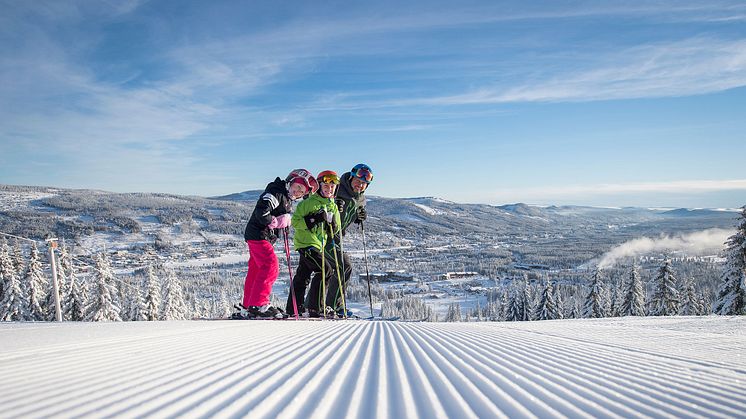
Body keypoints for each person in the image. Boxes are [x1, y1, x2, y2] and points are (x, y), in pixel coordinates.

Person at [239, 169, 317, 319]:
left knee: (256, 269)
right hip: (259, 234)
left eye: (302, 191)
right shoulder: (277, 193)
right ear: (290, 182)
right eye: (297, 187)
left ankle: (249, 305)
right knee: (270, 265)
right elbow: (262, 211)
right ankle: (259, 304)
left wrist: (281, 221)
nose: (298, 192)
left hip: (259, 235)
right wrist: (274, 222)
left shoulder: (285, 197)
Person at [285, 170, 343, 318]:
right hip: (306, 243)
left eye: (332, 187)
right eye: (326, 186)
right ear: (319, 186)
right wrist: (313, 219)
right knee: (325, 270)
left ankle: (293, 309)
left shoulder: (333, 206)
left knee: (302, 276)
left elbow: (335, 230)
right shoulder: (308, 203)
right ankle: (316, 308)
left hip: (318, 244)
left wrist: (333, 225)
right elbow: (295, 222)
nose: (329, 189)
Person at [328, 163, 373, 316]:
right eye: (358, 181)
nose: (360, 185)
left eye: (364, 184)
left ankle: (320, 306)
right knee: (343, 266)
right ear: (351, 178)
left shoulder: (360, 198)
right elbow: (317, 199)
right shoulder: (336, 189)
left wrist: (359, 216)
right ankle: (332, 307)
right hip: (323, 236)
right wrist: (333, 205)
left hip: (338, 236)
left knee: (331, 270)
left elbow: (352, 212)